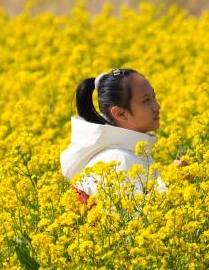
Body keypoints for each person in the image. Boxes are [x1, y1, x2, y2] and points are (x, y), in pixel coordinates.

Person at [60, 67, 167, 201]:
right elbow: (131, 218)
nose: (157, 106)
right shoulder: (118, 161)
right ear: (120, 113)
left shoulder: (128, 153)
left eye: (153, 97)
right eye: (146, 101)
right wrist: (169, 182)